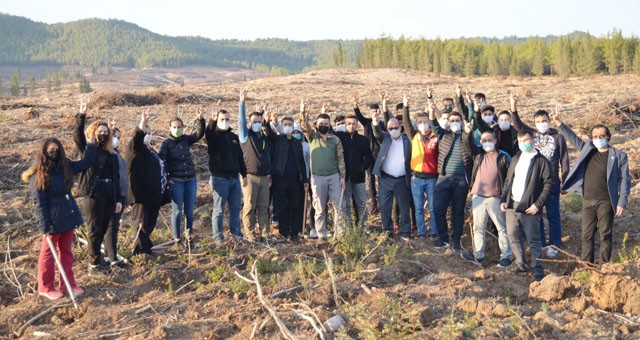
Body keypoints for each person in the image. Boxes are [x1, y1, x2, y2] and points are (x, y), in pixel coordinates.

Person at [552, 110, 631, 264]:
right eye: (595, 136)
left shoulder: (619, 156)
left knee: (605, 234)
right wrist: (560, 124)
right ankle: (587, 265)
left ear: (608, 137)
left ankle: (603, 265)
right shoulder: (588, 150)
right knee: (586, 235)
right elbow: (573, 139)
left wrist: (622, 201)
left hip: (606, 201)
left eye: (602, 136)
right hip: (588, 200)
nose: (598, 139)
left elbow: (625, 179)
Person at [22, 138, 96, 300]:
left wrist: (90, 144)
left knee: (67, 252)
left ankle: (68, 284)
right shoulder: (39, 175)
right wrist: (44, 225)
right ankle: (45, 287)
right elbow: (39, 203)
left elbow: (85, 164)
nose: (54, 153)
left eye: (56, 149)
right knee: (48, 254)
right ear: (44, 153)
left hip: (67, 216)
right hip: (52, 222)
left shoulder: (65, 167)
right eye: (50, 150)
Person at [511, 94, 569, 258]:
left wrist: (565, 180)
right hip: (535, 183)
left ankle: (555, 244)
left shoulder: (557, 137)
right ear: (535, 123)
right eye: (538, 121)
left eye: (544, 120)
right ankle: (542, 242)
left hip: (552, 182)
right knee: (537, 214)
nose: (542, 124)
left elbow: (564, 160)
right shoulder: (532, 135)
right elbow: (517, 124)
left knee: (553, 214)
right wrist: (513, 106)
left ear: (549, 121)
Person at [73, 99, 125, 274]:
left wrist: (118, 198)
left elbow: (116, 177)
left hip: (109, 193)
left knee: (103, 227)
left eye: (105, 132)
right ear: (94, 133)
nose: (102, 134)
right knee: (94, 228)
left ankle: (99, 259)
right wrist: (81, 116)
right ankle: (93, 264)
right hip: (93, 194)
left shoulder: (110, 153)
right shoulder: (89, 149)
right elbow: (78, 136)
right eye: (99, 131)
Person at [501, 130, 553, 281]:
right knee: (513, 235)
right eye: (520, 141)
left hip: (530, 207)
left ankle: (537, 267)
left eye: (526, 140)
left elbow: (548, 184)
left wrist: (538, 204)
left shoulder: (541, 161)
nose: (524, 144)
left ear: (533, 141)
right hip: (512, 205)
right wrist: (504, 199)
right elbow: (508, 181)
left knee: (533, 239)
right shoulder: (516, 158)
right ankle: (520, 265)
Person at [428, 103, 477, 251]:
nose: (455, 123)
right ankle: (443, 238)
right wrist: (431, 112)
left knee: (457, 211)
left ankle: (456, 240)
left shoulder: (467, 136)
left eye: (457, 120)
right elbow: (434, 124)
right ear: (448, 123)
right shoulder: (444, 135)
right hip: (444, 178)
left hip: (461, 180)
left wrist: (468, 133)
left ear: (462, 122)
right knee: (438, 209)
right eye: (452, 121)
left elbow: (472, 149)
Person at [461, 131, 513, 267]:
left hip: (495, 198)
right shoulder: (478, 155)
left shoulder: (503, 157)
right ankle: (478, 255)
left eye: (489, 140)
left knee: (502, 228)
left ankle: (506, 255)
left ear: (495, 141)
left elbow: (509, 179)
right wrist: (467, 133)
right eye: (483, 140)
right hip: (478, 197)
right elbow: (467, 145)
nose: (486, 143)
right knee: (478, 227)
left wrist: (506, 197)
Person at [158, 107, 205, 245]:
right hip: (176, 181)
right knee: (177, 211)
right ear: (170, 128)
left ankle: (189, 236)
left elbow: (199, 134)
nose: (177, 129)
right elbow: (161, 161)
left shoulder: (185, 139)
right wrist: (167, 179)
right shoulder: (166, 144)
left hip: (190, 180)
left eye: (179, 127)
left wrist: (200, 120)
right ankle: (177, 238)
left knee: (189, 211)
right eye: (174, 127)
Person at [126, 109, 170, 256]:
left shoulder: (151, 151)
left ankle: (145, 247)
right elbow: (137, 138)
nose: (147, 135)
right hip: (141, 194)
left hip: (154, 195)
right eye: (145, 132)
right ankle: (140, 251)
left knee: (149, 223)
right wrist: (142, 122)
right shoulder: (135, 150)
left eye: (149, 132)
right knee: (141, 223)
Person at [300, 100, 346, 239]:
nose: (323, 126)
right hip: (317, 177)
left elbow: (340, 158)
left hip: (334, 176)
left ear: (330, 125)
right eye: (321, 124)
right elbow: (304, 126)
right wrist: (302, 112)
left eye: (326, 124)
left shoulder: (335, 140)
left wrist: (342, 176)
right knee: (319, 207)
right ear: (317, 125)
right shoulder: (312, 137)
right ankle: (321, 233)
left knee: (339, 206)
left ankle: (340, 233)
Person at [205, 106, 247, 243]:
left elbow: (240, 157)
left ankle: (237, 235)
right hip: (219, 178)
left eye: (227, 119)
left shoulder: (233, 137)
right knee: (219, 210)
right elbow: (208, 133)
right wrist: (212, 121)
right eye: (222, 119)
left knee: (235, 209)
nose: (225, 121)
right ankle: (218, 237)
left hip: (234, 178)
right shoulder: (214, 136)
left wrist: (244, 174)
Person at [265, 115, 309, 242]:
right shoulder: (278, 139)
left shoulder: (297, 143)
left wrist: (305, 180)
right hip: (280, 178)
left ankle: (295, 232)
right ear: (282, 126)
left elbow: (301, 162)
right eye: (285, 125)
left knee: (295, 205)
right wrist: (267, 121)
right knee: (282, 206)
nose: (288, 127)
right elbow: (268, 131)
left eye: (290, 125)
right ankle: (284, 233)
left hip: (296, 180)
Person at [401, 94, 439, 239]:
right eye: (420, 122)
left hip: (432, 178)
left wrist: (432, 110)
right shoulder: (413, 135)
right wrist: (406, 106)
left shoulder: (435, 136)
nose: (422, 124)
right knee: (418, 209)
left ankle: (434, 231)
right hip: (416, 178)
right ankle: (422, 232)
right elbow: (405, 122)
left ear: (429, 122)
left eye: (425, 121)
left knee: (433, 208)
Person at [372, 106, 412, 238]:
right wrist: (375, 122)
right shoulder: (385, 139)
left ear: (400, 127)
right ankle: (387, 230)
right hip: (386, 179)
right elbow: (377, 133)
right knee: (385, 206)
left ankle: (405, 231)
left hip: (402, 179)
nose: (393, 130)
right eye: (390, 128)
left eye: (396, 127)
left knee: (404, 206)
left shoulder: (407, 141)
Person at [237, 89, 273, 240]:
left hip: (265, 177)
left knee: (264, 207)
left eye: (259, 121)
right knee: (249, 207)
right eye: (254, 122)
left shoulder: (264, 137)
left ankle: (265, 234)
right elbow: (241, 121)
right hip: (250, 177)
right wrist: (242, 103)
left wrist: (270, 174)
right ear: (250, 123)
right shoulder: (246, 135)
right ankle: (250, 234)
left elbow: (268, 156)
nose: (257, 124)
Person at [334, 114, 373, 229]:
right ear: (345, 124)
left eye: (353, 123)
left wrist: (362, 168)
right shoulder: (340, 138)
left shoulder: (363, 140)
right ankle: (348, 228)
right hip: (344, 179)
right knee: (345, 205)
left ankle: (363, 228)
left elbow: (369, 156)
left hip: (359, 178)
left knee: (361, 204)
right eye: (349, 124)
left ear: (357, 125)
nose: (351, 126)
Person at [353, 96, 384, 214]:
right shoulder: (366, 123)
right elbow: (359, 115)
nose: (374, 113)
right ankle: (374, 204)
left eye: (376, 111)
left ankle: (382, 201)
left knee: (381, 178)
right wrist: (355, 106)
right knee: (370, 180)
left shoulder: (382, 124)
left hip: (379, 154)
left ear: (379, 112)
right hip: (368, 155)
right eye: (372, 111)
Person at [107, 123, 129, 266]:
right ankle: (112, 258)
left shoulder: (117, 153)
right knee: (111, 227)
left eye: (118, 137)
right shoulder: (106, 154)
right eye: (113, 136)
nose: (116, 139)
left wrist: (124, 197)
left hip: (120, 197)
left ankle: (111, 255)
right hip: (111, 197)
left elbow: (122, 178)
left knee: (114, 227)